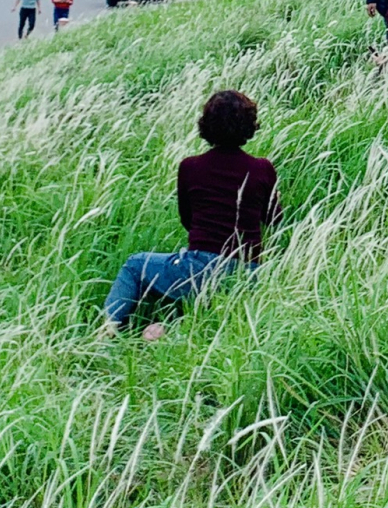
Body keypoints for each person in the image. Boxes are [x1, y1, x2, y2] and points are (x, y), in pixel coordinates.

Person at [104, 90, 279, 338]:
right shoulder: (262, 168)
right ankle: (174, 330)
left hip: (198, 268)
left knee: (135, 266)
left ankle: (108, 332)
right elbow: (274, 219)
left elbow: (188, 221)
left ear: (206, 125)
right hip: (248, 275)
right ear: (249, 125)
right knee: (209, 305)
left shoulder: (190, 166)